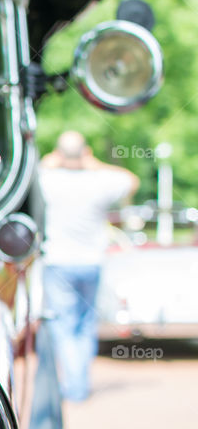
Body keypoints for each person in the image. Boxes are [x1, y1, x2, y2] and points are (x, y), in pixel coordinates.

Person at [38, 131, 139, 402]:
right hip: (91, 263)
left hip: (58, 262)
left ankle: (74, 387)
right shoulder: (100, 180)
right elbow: (131, 181)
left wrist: (53, 160)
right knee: (84, 325)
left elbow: (35, 172)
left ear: (60, 153)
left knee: (64, 325)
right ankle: (79, 383)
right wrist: (93, 164)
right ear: (86, 152)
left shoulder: (49, 180)